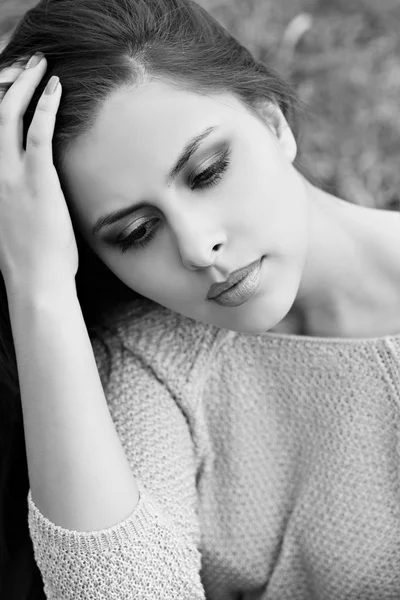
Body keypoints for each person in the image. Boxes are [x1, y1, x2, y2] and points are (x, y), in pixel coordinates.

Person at [0, 0, 399, 598]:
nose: (198, 246)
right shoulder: (149, 359)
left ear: (272, 122)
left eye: (208, 171)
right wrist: (41, 290)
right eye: (135, 233)